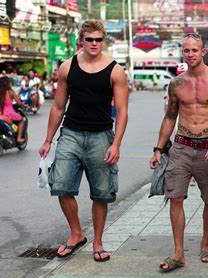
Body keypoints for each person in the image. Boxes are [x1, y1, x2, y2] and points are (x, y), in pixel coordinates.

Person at [38, 20, 129, 262]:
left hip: (101, 136)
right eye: (90, 39)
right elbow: (58, 106)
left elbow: (122, 111)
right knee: (61, 185)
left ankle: (98, 243)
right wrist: (48, 139)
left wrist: (116, 143)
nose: (94, 44)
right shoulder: (67, 67)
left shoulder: (115, 70)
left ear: (103, 40)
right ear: (81, 40)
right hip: (71, 134)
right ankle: (76, 233)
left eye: (99, 39)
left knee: (101, 193)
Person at [150, 33, 208, 271]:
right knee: (174, 197)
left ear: (203, 51)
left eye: (195, 50)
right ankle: (178, 253)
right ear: (182, 52)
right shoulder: (176, 84)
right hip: (181, 147)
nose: (190, 54)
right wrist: (158, 148)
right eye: (186, 50)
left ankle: (205, 243)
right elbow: (170, 117)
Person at [0, 76, 26, 142]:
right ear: (7, 83)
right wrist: (24, 106)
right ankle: (19, 138)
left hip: (0, 114)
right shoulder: (10, 91)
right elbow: (19, 103)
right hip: (10, 114)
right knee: (22, 120)